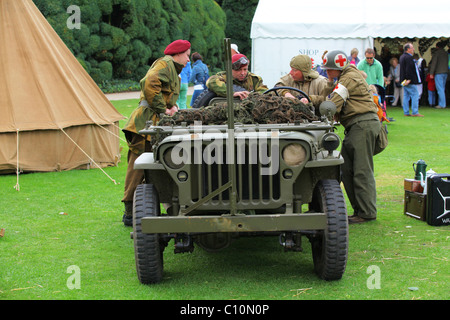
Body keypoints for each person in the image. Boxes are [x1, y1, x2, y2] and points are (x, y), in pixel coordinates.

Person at [121, 39, 191, 226]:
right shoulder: (165, 64)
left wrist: (172, 107)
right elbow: (149, 82)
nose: (188, 59)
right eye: (187, 55)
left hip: (154, 124)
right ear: (178, 54)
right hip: (145, 124)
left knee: (158, 164)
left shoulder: (172, 69)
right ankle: (129, 211)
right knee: (138, 167)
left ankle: (151, 207)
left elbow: (165, 93)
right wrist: (163, 110)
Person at [322, 50, 381, 224]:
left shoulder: (347, 79)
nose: (327, 72)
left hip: (362, 125)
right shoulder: (347, 76)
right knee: (346, 170)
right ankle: (360, 210)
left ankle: (366, 212)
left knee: (361, 171)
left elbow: (332, 104)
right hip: (357, 126)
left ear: (338, 68)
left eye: (329, 69)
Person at [399, 43, 423, 117]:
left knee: (406, 95)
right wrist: (409, 79)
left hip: (403, 79)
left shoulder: (402, 57)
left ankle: (406, 112)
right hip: (409, 80)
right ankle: (415, 112)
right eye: (412, 48)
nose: (413, 49)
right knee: (415, 94)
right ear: (408, 49)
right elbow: (409, 69)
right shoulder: (409, 58)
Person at [428, 41, 448, 108]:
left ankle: (442, 104)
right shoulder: (446, 53)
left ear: (437, 47)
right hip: (445, 72)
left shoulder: (437, 53)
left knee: (440, 89)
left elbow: (434, 63)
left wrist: (431, 73)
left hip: (439, 72)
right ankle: (442, 103)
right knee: (442, 88)